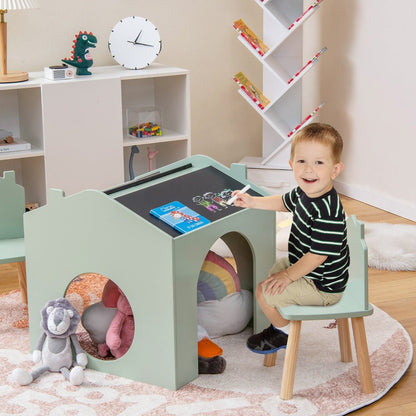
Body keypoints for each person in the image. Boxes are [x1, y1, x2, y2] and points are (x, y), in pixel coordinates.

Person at [231, 123, 350, 353]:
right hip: (306, 267)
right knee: (270, 275)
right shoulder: (305, 192)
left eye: (319, 163)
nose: (308, 170)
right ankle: (281, 318)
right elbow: (282, 202)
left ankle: (283, 333)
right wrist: (253, 202)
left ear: (335, 170)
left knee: (265, 291)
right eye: (302, 161)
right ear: (291, 165)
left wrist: (287, 276)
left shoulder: (328, 211)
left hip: (323, 285)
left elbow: (317, 256)